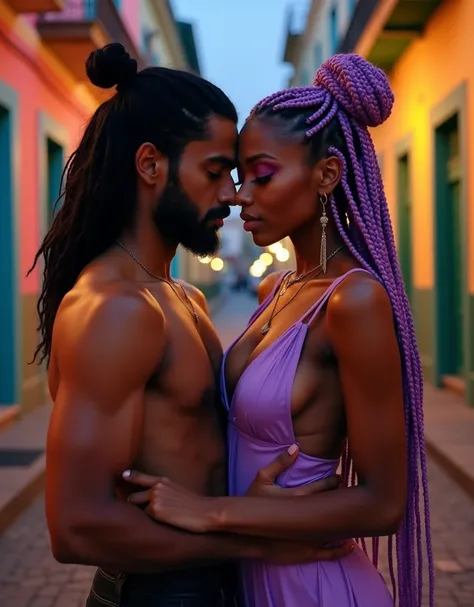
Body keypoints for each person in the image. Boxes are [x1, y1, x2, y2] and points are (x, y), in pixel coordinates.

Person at [29, 43, 350, 607]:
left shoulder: (183, 296)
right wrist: (253, 543)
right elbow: (76, 526)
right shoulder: (115, 310)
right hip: (158, 592)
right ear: (151, 165)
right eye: (215, 170)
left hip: (210, 584)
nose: (231, 193)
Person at [123, 54, 435, 607]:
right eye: (241, 178)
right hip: (257, 576)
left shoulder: (353, 301)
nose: (241, 196)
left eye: (263, 176)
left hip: (313, 585)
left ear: (326, 175)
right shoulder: (279, 290)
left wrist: (214, 512)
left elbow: (385, 504)